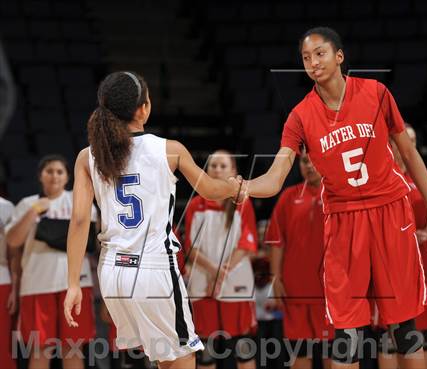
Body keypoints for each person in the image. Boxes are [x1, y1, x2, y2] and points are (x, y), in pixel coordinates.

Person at [239, 27, 427, 369]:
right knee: (348, 332)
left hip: (391, 210)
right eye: (306, 58)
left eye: (319, 53)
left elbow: (408, 152)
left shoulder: (376, 92)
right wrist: (244, 186)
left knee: (404, 326)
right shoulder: (300, 116)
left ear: (339, 56)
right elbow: (275, 177)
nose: (313, 62)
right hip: (343, 219)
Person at [63, 71, 242, 369]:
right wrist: (234, 187)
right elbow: (211, 190)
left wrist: (72, 285)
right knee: (181, 359)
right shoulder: (169, 149)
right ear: (143, 108)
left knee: (159, 357)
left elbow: (80, 221)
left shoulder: (87, 156)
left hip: (113, 274)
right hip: (154, 270)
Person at [6, 155, 97, 369]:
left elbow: (91, 241)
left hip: (76, 286)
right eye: (49, 171)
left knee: (73, 350)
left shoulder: (79, 200)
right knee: (39, 351)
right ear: (40, 176)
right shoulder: (27, 204)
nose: (54, 176)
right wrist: (34, 212)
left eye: (59, 172)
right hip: (37, 286)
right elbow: (12, 241)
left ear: (67, 177)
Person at [376, 124, 427, 369]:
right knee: (390, 335)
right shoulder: (381, 176)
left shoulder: (426, 178)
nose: (406, 145)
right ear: (389, 144)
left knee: (426, 334)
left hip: (422, 264)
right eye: (400, 140)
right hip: (391, 267)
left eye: (412, 140)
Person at [184, 150, 258, 369]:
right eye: (213, 165)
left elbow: (246, 244)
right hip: (203, 285)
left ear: (234, 171)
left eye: (223, 166)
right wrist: (214, 273)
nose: (217, 169)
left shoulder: (243, 203)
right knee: (206, 352)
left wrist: (220, 275)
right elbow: (191, 248)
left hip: (236, 284)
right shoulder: (195, 205)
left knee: (244, 350)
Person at [265, 150, 334, 369]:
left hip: (329, 292)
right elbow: (276, 242)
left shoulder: (337, 194)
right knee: (299, 352)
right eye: (305, 161)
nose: (310, 166)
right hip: (296, 291)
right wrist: (275, 279)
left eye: (314, 161)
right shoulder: (288, 196)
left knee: (332, 353)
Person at [0, 196, 16, 369]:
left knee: (2, 346)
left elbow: (14, 254)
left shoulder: (6, 207)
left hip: (2, 282)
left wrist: (14, 288)